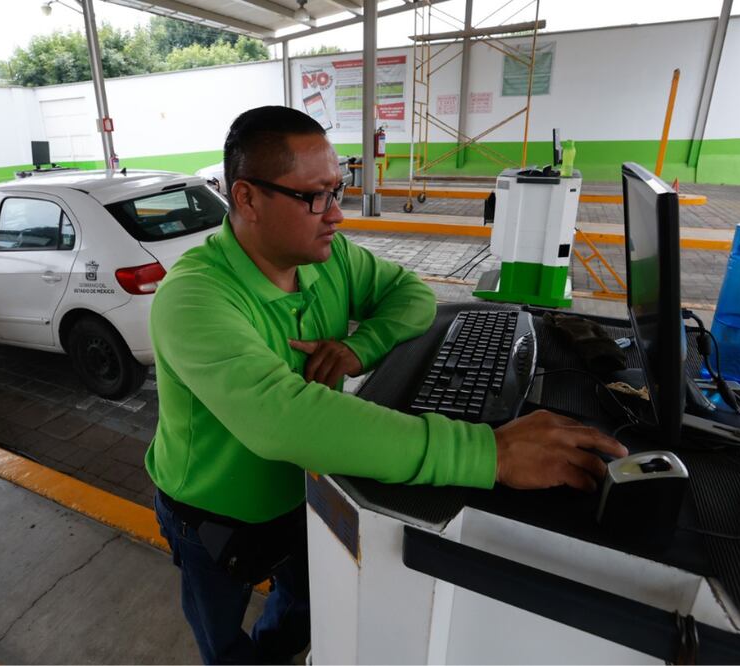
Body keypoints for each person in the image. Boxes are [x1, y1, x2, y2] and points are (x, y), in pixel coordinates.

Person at [145, 105, 627, 664]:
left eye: (338, 190)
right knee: (222, 635)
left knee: (302, 607)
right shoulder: (194, 297)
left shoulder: (326, 258)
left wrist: (358, 348)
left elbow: (414, 296)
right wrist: (486, 452)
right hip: (211, 514)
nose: (336, 215)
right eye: (315, 197)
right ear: (247, 197)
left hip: (307, 491)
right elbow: (282, 420)